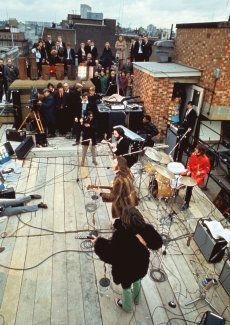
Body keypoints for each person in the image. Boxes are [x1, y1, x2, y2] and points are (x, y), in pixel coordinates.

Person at [91, 205, 163, 312]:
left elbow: (110, 254)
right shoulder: (146, 228)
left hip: (126, 270)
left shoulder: (120, 235)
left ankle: (127, 306)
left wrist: (97, 243)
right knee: (138, 279)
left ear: (124, 220)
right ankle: (137, 299)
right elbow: (157, 243)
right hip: (141, 265)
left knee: (126, 287)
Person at [181, 145, 210, 210]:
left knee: (189, 188)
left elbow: (207, 169)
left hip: (196, 176)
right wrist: (189, 170)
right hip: (190, 172)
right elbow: (189, 163)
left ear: (200, 151)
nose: (195, 149)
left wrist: (200, 172)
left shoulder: (206, 159)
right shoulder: (193, 154)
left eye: (197, 148)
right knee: (180, 177)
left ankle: (186, 203)